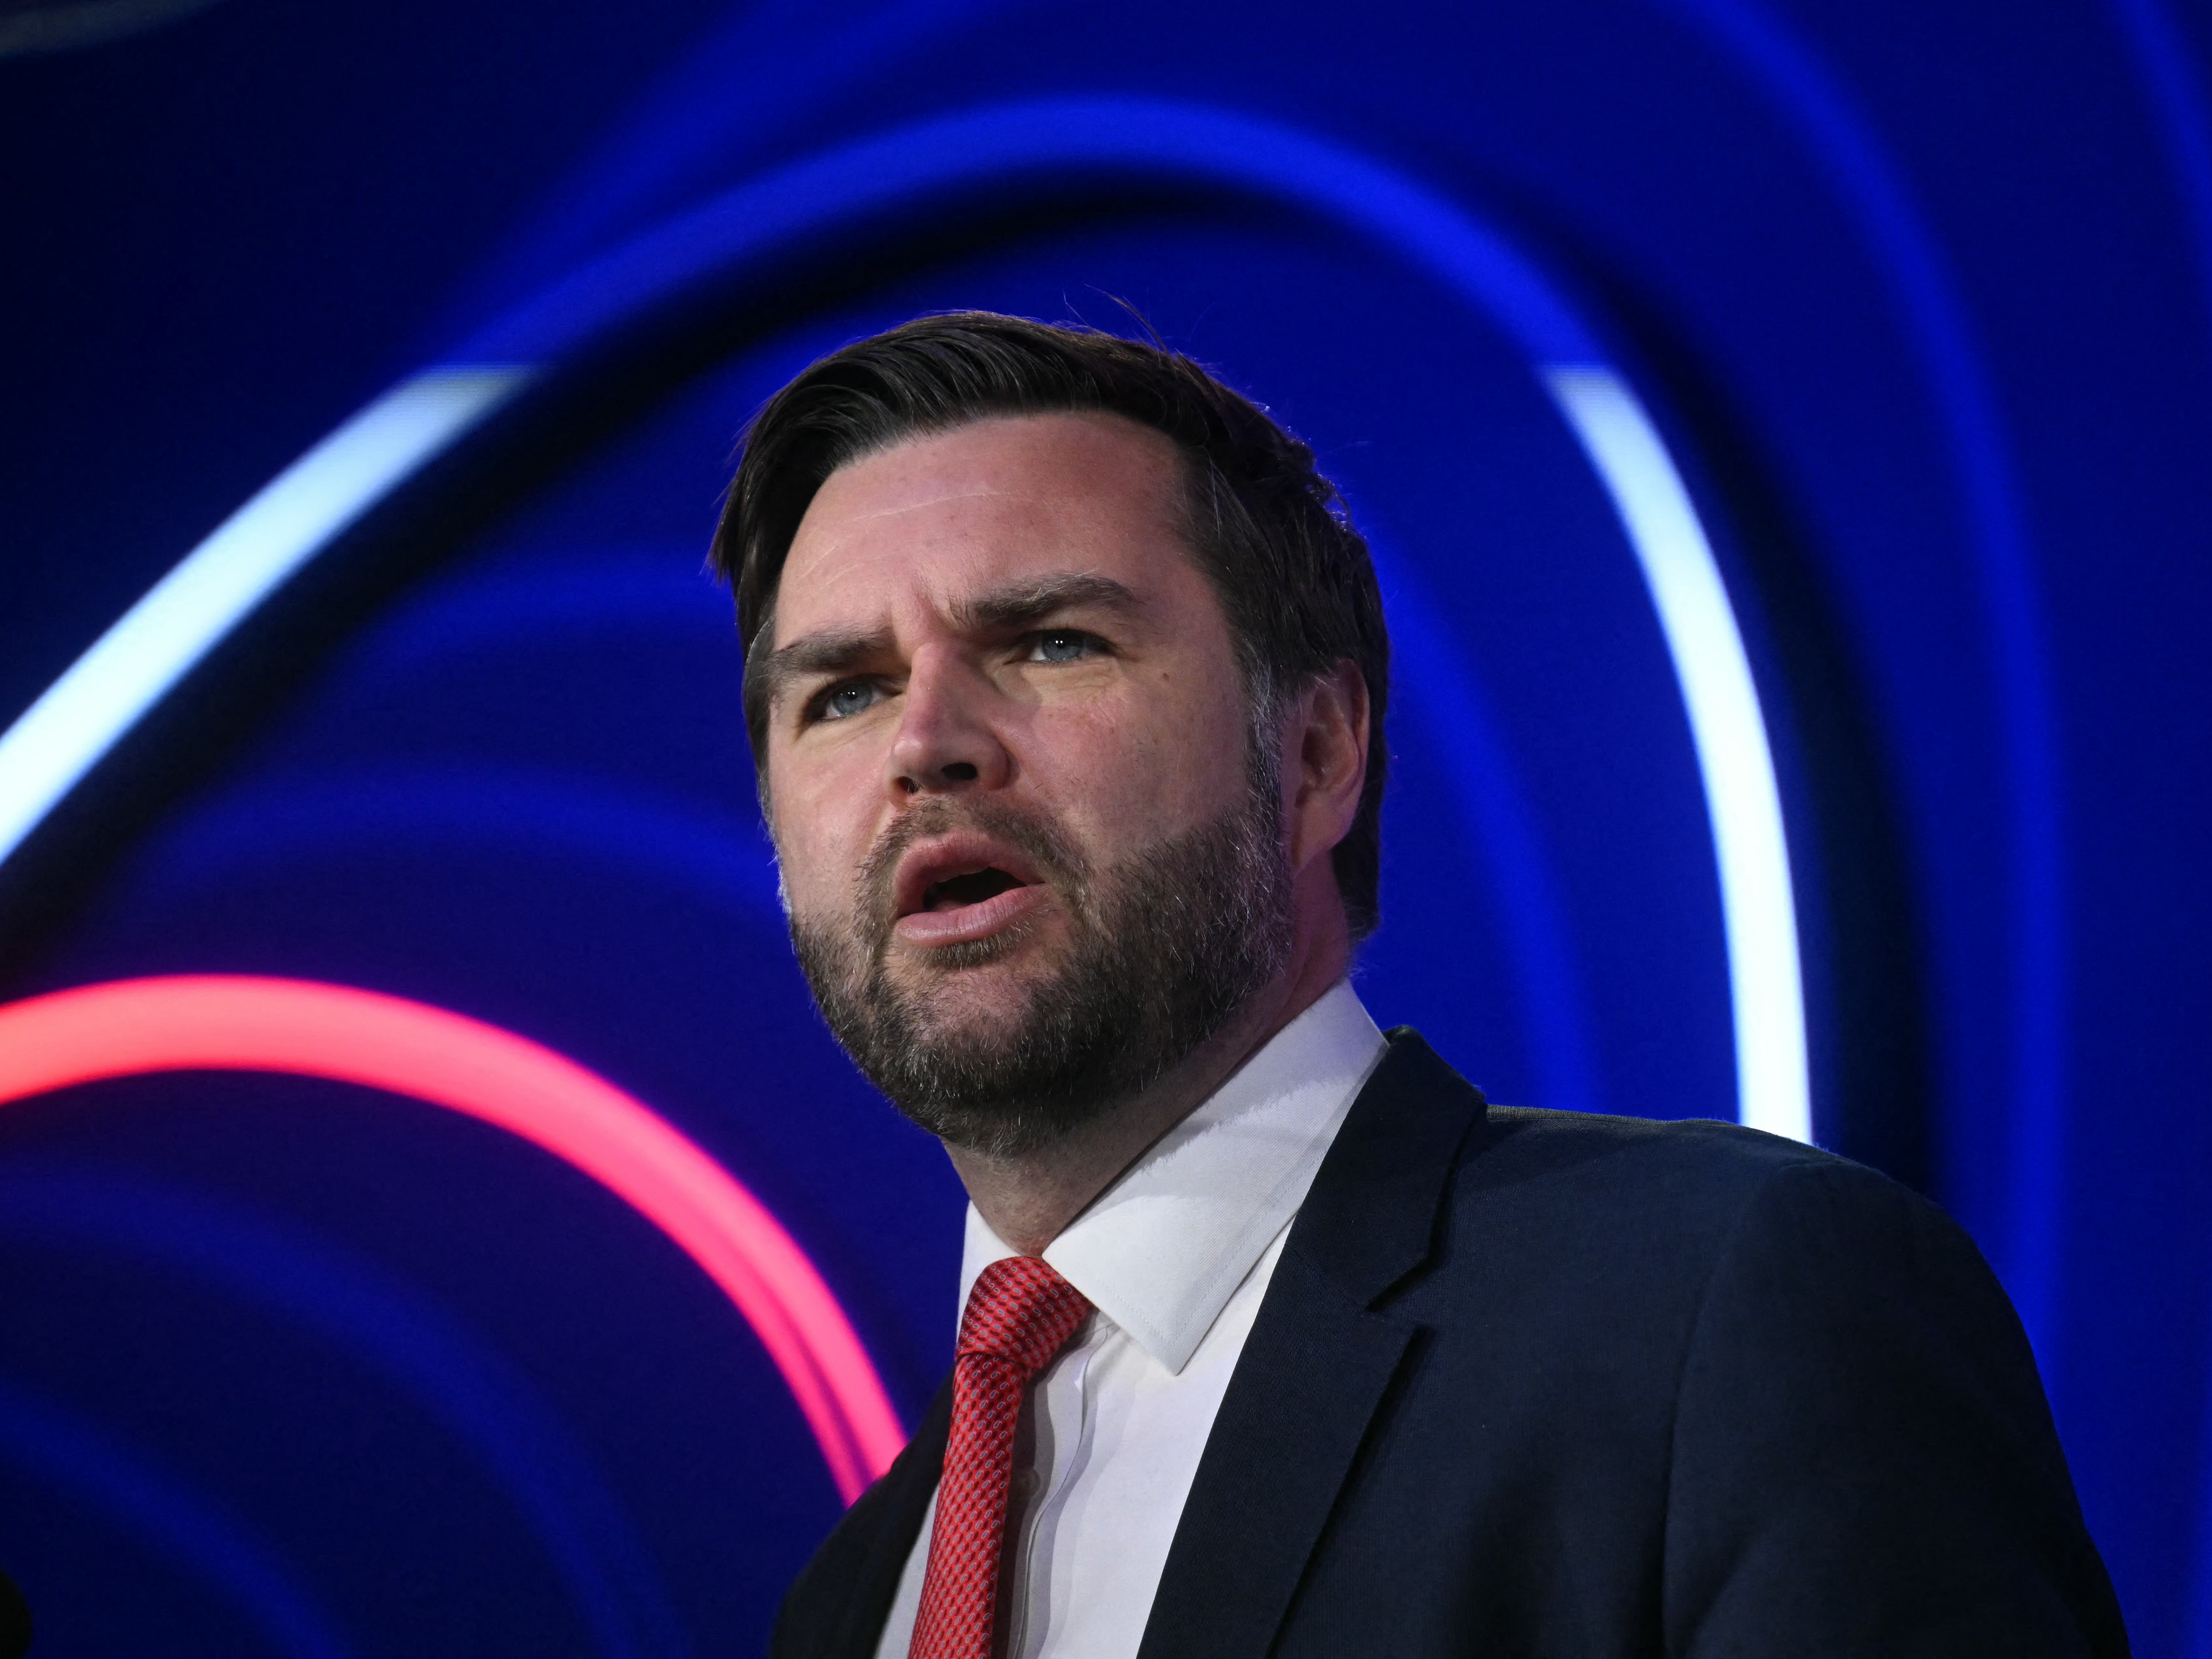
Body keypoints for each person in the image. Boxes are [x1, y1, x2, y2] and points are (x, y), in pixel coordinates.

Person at [711, 312, 2127, 1659]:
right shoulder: (852, 1595)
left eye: (1051, 640)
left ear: (1318, 752)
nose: (929, 740)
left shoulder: (1730, 1308)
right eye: (843, 689)